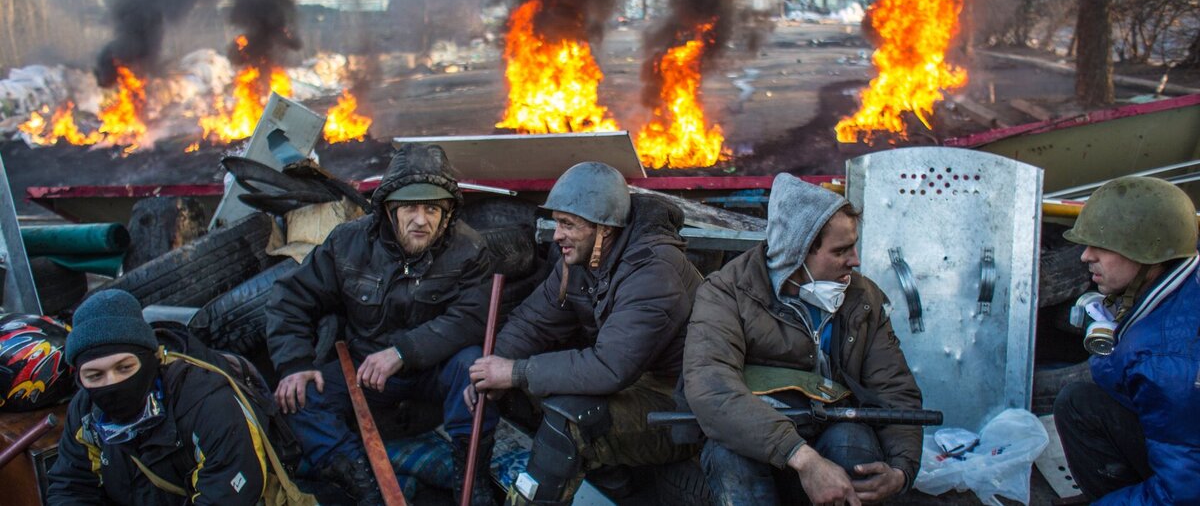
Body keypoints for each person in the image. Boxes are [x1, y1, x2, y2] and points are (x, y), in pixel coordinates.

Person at [266, 142, 497, 506]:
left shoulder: (469, 249)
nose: (421, 220)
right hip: (365, 371)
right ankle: (359, 478)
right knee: (298, 398)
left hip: (433, 370)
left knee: (476, 369)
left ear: (448, 213)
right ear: (389, 209)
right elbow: (291, 299)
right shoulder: (348, 243)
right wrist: (295, 364)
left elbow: (470, 318)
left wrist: (404, 352)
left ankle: (472, 476)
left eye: (433, 208)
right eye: (410, 207)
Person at [466, 161, 702, 505]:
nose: (556, 234)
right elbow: (534, 320)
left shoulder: (654, 271)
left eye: (568, 224)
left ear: (604, 229)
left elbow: (610, 368)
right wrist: (492, 368)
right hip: (635, 381)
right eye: (557, 222)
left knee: (570, 424)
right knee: (522, 390)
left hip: (680, 402)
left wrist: (516, 372)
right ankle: (615, 485)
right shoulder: (582, 260)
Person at [684, 173, 923, 505]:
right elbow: (713, 390)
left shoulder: (861, 297)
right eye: (842, 250)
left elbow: (894, 389)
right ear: (798, 252)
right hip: (758, 439)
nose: (855, 260)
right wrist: (803, 458)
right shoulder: (726, 292)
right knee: (730, 457)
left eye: (853, 246)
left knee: (853, 445)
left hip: (833, 430)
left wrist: (900, 471)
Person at [47, 289, 309, 506]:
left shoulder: (208, 403)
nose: (112, 383)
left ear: (151, 359)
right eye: (95, 376)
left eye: (124, 368)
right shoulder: (85, 412)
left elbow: (225, 496)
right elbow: (71, 486)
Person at [1053, 176, 1200, 504]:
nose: (1084, 256)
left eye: (1102, 246)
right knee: (1082, 403)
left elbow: (1183, 494)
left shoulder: (1166, 364)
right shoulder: (1185, 262)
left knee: (1078, 406)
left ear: (1148, 253)